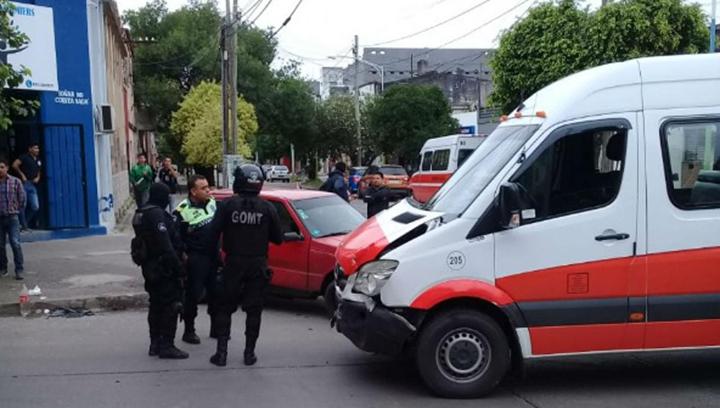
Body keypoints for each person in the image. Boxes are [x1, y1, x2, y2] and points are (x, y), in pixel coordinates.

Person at [209, 164, 282, 367]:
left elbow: (213, 233)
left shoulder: (227, 205)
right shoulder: (267, 208)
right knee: (254, 310)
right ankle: (249, 354)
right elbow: (278, 238)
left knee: (225, 308)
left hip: (233, 262)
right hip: (257, 264)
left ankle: (221, 353)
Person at [131, 183, 188, 359]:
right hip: (163, 268)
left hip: (150, 267)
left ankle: (155, 343)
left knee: (156, 305)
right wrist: (178, 267)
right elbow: (165, 244)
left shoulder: (141, 212)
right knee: (171, 305)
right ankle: (166, 345)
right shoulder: (156, 214)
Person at [173, 175, 220, 344]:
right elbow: (176, 237)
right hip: (196, 258)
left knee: (216, 293)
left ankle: (216, 328)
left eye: (208, 187)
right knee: (193, 295)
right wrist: (184, 255)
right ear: (193, 191)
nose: (208, 190)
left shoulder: (213, 203)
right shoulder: (182, 210)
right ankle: (189, 330)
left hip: (213, 256)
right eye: (203, 188)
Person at [0, 161, 25, 280]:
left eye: (2, 167)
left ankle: (19, 269)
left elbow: (22, 199)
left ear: (7, 168)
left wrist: (16, 210)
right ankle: (3, 268)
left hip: (12, 217)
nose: (0, 170)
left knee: (15, 243)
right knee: (0, 245)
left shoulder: (15, 181)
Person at [12, 143, 41, 231]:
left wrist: (38, 177)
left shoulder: (38, 160)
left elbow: (39, 170)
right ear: (30, 149)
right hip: (24, 184)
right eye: (35, 148)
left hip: (33, 185)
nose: (37, 150)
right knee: (22, 205)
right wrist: (22, 175)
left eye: (38, 148)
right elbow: (14, 165)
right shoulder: (24, 157)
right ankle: (23, 226)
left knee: (35, 207)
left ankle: (23, 224)